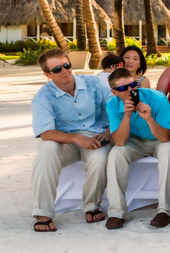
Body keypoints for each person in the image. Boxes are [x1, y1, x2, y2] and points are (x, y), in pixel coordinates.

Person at [30, 49, 112, 232]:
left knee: (99, 159)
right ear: (47, 74)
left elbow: (116, 105)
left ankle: (92, 206)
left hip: (95, 135)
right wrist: (76, 137)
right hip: (63, 140)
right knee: (46, 151)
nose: (64, 71)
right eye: (57, 69)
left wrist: (108, 132)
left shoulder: (94, 83)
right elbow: (45, 132)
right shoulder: (43, 96)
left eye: (66, 66)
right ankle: (42, 212)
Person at [104, 68, 170, 229]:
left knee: (168, 151)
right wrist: (127, 116)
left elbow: (164, 137)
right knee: (115, 153)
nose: (130, 90)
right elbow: (120, 142)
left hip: (162, 138)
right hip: (134, 141)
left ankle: (166, 211)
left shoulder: (156, 98)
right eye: (123, 88)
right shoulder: (112, 105)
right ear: (114, 92)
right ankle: (116, 212)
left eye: (133, 85)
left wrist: (149, 119)